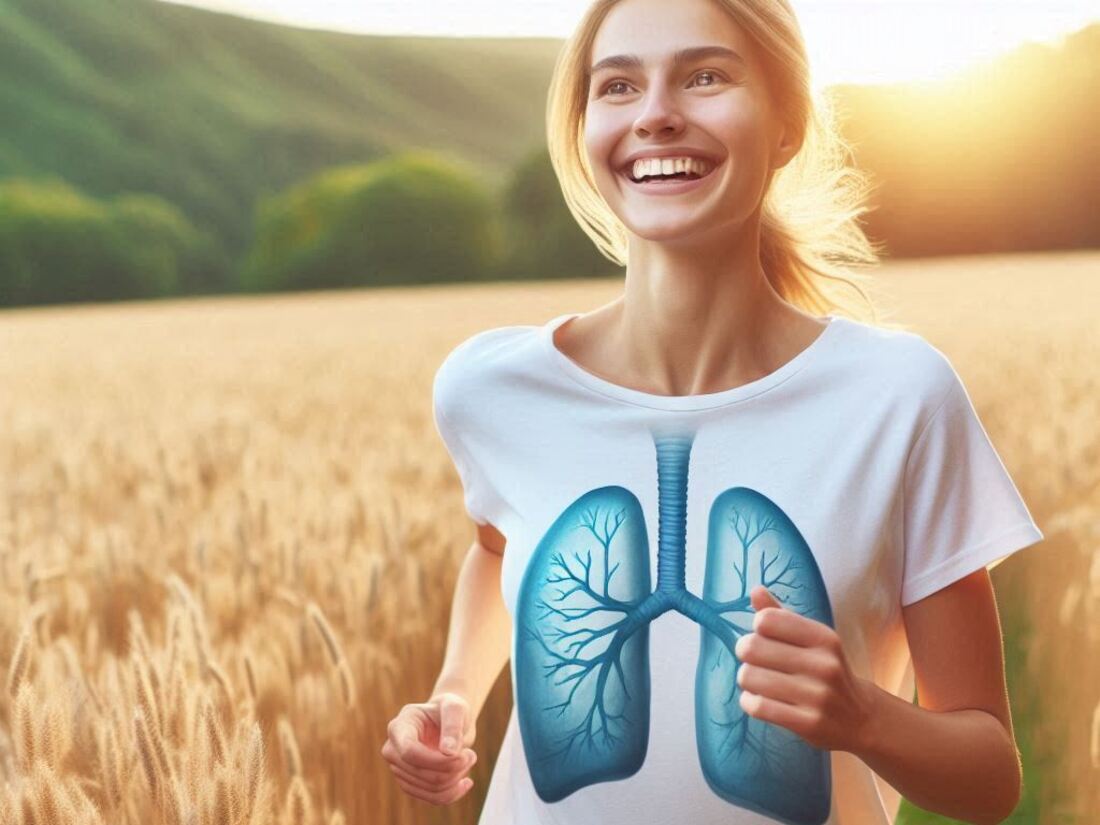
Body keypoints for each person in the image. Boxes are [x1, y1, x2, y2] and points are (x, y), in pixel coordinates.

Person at [380, 0, 1044, 822]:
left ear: (787, 123)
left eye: (704, 76)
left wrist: (863, 715)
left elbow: (992, 778)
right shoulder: (492, 388)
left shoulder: (899, 398)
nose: (656, 115)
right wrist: (452, 692)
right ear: (584, 129)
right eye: (618, 85)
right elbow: (496, 547)